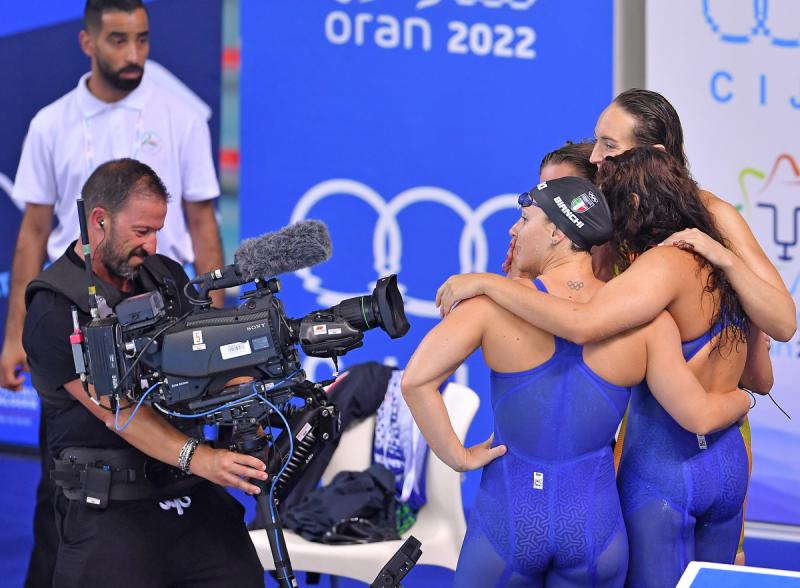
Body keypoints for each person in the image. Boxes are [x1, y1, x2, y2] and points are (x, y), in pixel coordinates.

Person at [436, 147, 763, 586]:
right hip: (703, 471)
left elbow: (579, 323)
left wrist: (489, 283)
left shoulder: (646, 283)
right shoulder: (711, 271)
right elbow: (760, 371)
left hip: (633, 484)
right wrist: (742, 398)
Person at [1, 2, 225, 584]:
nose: (134, 55)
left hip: (167, 319)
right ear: (87, 42)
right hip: (79, 318)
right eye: (119, 40)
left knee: (170, 476)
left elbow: (203, 223)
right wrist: (12, 339)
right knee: (68, 490)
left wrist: (218, 333)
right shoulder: (51, 124)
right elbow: (32, 231)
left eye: (143, 40)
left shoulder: (180, 116)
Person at [22, 158, 263, 588]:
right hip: (110, 511)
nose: (153, 245)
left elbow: (207, 361)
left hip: (187, 496)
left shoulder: (164, 276)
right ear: (99, 222)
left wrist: (252, 390)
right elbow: (119, 412)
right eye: (141, 231)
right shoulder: (54, 310)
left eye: (158, 231)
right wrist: (202, 458)